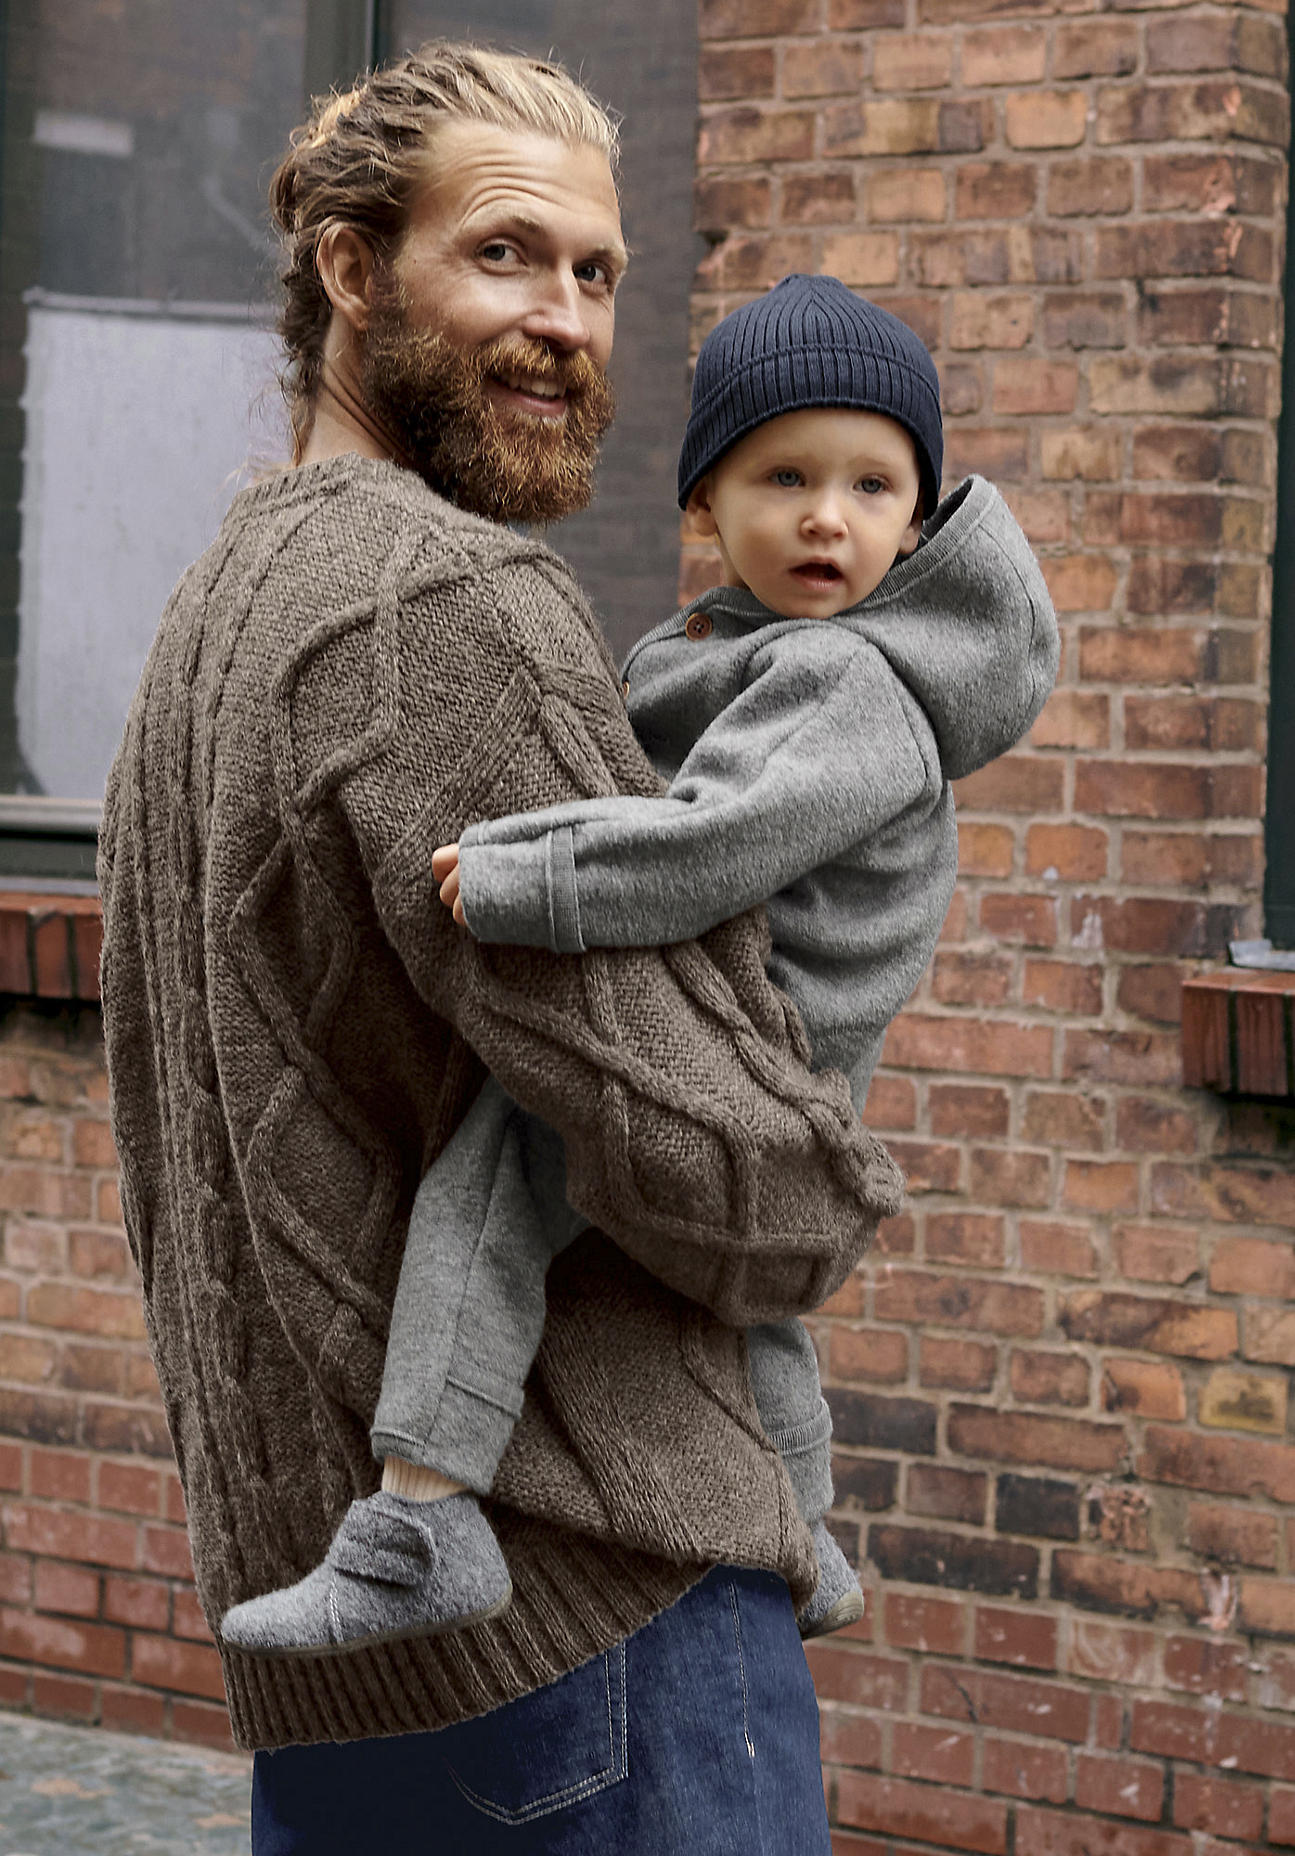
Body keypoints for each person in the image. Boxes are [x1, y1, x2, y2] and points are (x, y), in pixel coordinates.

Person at [97, 43, 906, 1855]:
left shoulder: (205, 627)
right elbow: (737, 1178)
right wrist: (827, 1160)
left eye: (599, 274)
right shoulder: (442, 605)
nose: (566, 321)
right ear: (352, 270)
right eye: (508, 257)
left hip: (353, 1666)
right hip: (594, 1644)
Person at [220, 277, 1060, 1663]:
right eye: (782, 476)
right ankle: (805, 1522)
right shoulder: (731, 652)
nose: (824, 517)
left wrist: (523, 879)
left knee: (496, 1172)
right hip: (749, 1039)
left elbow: (708, 844)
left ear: (917, 518)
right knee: (727, 1289)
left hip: (755, 1037)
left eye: (871, 485)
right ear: (704, 505)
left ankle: (423, 1512)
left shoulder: (847, 685)